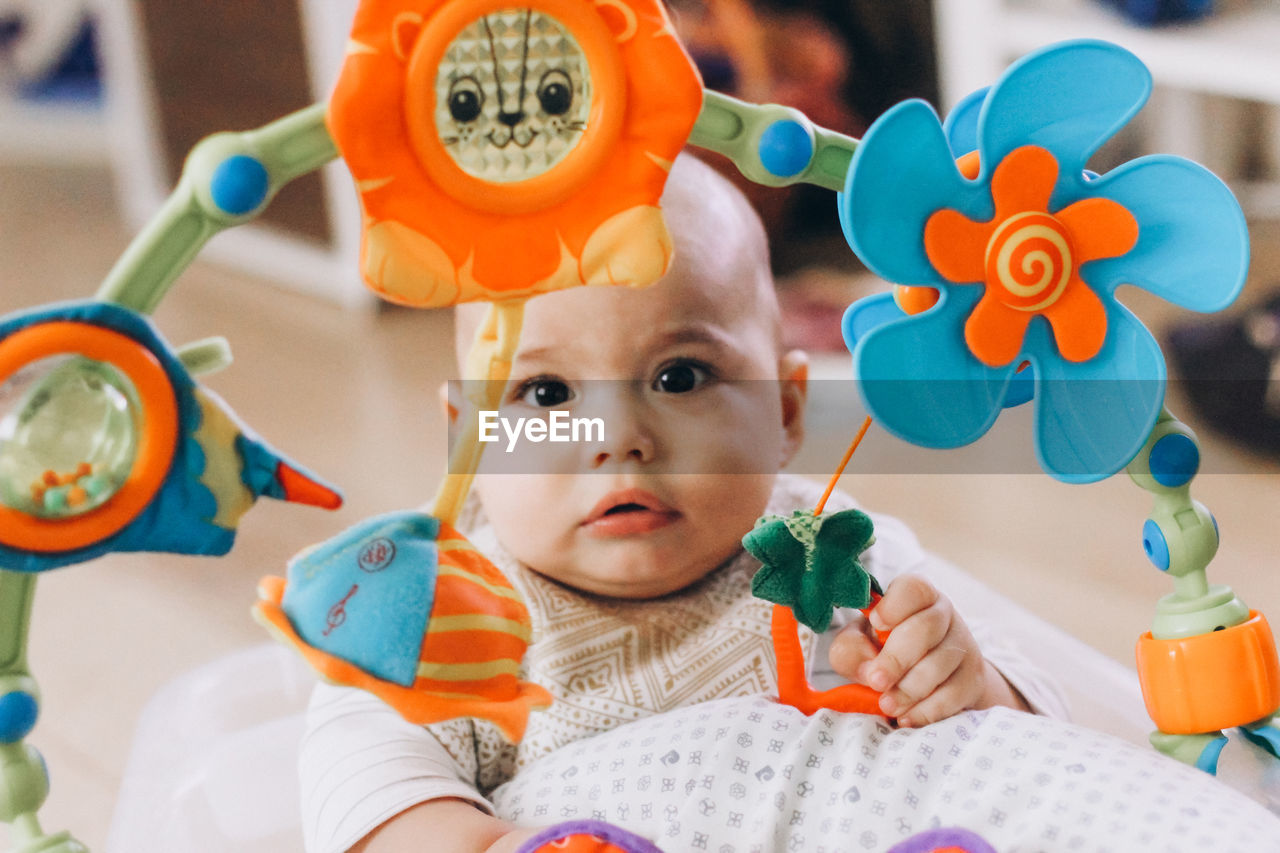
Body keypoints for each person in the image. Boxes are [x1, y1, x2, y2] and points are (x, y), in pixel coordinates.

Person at [298, 153, 1066, 853]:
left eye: (679, 378)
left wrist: (964, 679)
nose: (620, 439)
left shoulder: (836, 553)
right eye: (546, 392)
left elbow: (1033, 726)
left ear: (787, 413)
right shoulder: (442, 619)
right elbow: (367, 795)